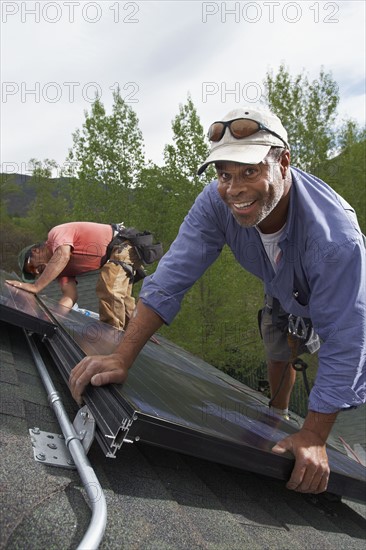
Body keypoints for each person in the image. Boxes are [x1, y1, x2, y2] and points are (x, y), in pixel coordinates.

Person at [69, 107, 366, 494]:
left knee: (322, 344)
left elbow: (348, 340)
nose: (234, 188)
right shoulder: (215, 202)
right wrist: (122, 356)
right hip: (280, 285)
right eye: (224, 174)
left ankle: (298, 424)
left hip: (333, 294)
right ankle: (276, 414)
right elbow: (173, 276)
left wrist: (312, 435)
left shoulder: (336, 242)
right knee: (276, 337)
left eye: (249, 172)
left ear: (283, 162)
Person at [6, 221, 151, 330]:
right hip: (119, 254)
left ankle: (110, 336)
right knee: (121, 297)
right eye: (33, 274)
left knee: (109, 287)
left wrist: (36, 286)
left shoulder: (56, 234)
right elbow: (70, 296)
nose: (37, 272)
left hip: (123, 244)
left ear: (36, 250)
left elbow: (62, 255)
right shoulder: (61, 271)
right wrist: (51, 318)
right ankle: (136, 329)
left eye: (32, 266)